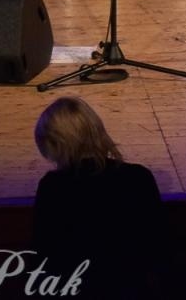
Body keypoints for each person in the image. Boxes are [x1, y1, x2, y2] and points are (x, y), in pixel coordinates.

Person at [32, 96, 166, 297]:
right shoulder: (137, 177)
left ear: (53, 145)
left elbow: (44, 251)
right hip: (131, 288)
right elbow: (157, 241)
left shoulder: (53, 187)